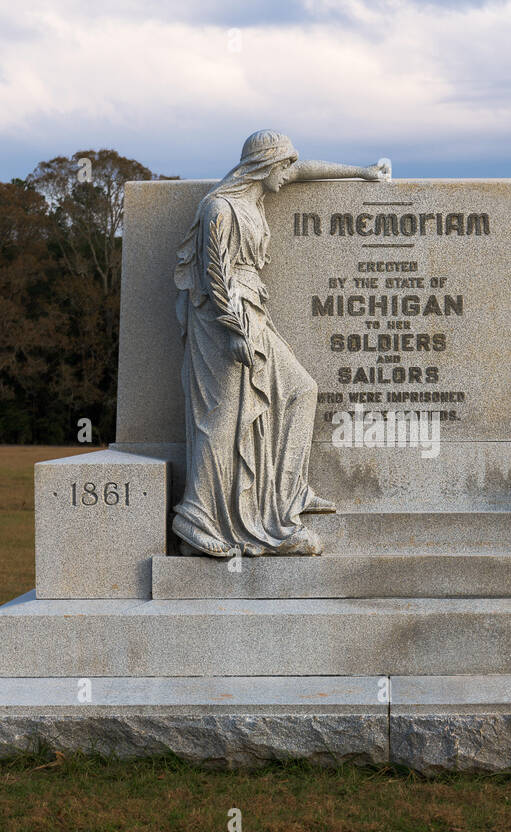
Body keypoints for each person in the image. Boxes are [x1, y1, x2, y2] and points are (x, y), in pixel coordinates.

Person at [171, 130, 391, 556]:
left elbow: (303, 169)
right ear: (263, 166)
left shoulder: (256, 197)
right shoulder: (220, 206)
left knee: (300, 389)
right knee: (221, 417)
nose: (290, 174)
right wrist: (233, 330)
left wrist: (363, 173)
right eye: (283, 165)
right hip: (223, 321)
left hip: (253, 311)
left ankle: (286, 499)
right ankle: (195, 519)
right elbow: (216, 271)